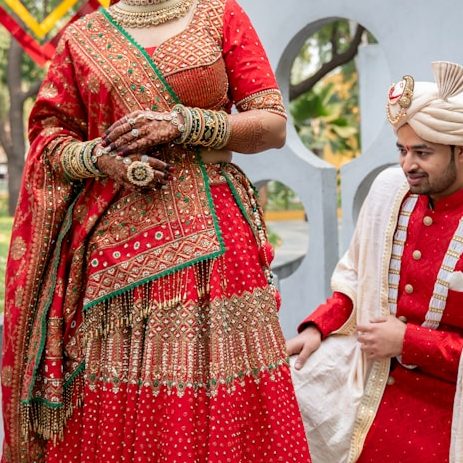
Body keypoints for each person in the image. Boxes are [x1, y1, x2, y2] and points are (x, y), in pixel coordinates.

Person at [0, 0, 311, 461]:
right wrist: (103, 160)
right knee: (117, 398)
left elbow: (271, 125)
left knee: (221, 397)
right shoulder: (83, 37)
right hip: (114, 260)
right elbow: (49, 141)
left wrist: (182, 123)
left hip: (216, 246)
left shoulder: (219, 14)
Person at [287, 61, 463, 463]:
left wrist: (409, 342)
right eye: (402, 150)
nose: (408, 165)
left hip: (450, 407)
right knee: (290, 389)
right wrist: (319, 326)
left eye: (423, 152)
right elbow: (355, 278)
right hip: (375, 382)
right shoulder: (390, 191)